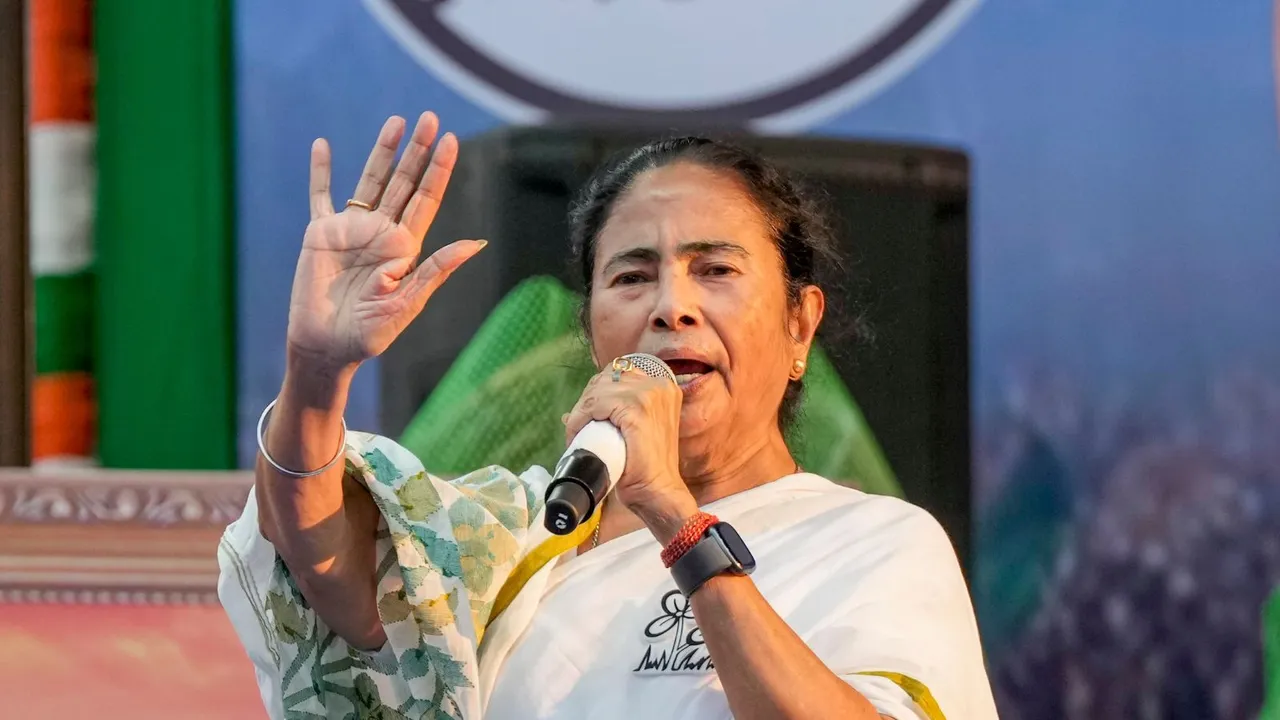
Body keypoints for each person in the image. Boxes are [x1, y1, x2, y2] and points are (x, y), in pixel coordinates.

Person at [218, 111, 998, 720]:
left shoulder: (871, 545)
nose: (672, 307)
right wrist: (317, 371)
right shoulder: (522, 544)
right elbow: (317, 553)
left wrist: (676, 518)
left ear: (800, 324)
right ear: (592, 334)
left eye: (715, 269)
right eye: (631, 277)